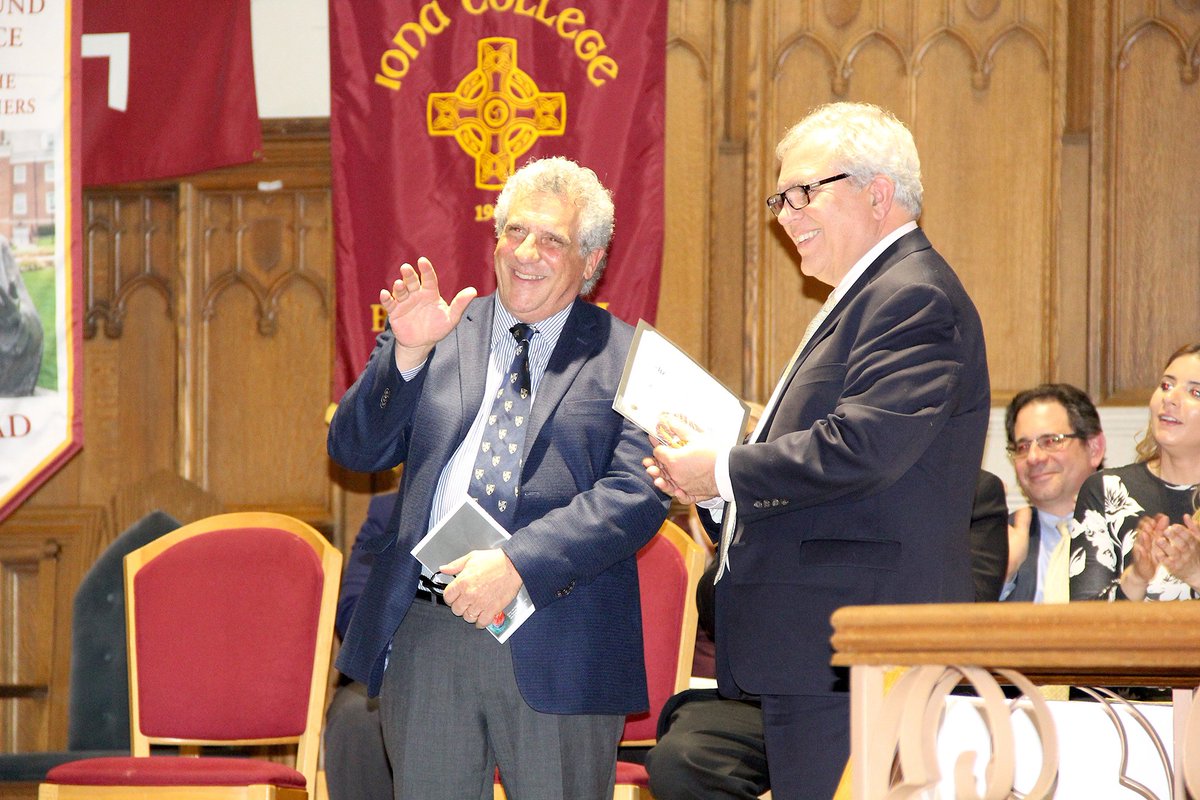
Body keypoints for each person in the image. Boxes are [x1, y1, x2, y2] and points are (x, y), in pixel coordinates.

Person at [644, 102, 990, 798]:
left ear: (878, 192)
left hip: (861, 646)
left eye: (805, 192)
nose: (786, 215)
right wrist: (714, 494)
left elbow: (861, 448)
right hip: (821, 649)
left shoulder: (913, 295)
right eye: (780, 198)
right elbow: (830, 479)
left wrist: (721, 466)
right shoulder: (870, 296)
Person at [327, 156, 670, 799]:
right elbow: (354, 448)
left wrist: (514, 564)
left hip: (560, 635)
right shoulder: (440, 330)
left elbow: (638, 493)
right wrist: (404, 356)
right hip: (429, 634)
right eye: (513, 231)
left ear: (592, 260)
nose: (526, 252)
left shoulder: (632, 359)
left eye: (552, 239)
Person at [644, 470, 1008, 799]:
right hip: (774, 691)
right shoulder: (791, 480)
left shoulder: (971, 491)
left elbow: (967, 615)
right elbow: (717, 601)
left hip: (892, 697)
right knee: (685, 759)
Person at [1071, 343, 1200, 602]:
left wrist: (1196, 573)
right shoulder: (1107, 490)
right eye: (1166, 385)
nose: (1170, 399)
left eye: (1195, 392)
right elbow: (1084, 627)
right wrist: (1137, 577)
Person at [1001, 384, 1106, 602]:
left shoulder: (1132, 532)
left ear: (1094, 448)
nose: (1033, 457)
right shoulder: (997, 540)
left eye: (1051, 441)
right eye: (1022, 447)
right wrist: (1002, 575)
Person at [323, 494, 395, 800]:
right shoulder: (389, 511)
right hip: (395, 672)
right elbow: (354, 613)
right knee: (355, 717)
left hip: (495, 673)